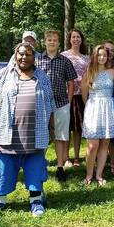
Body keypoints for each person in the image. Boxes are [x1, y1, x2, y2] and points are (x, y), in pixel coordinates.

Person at [0, 42, 55, 217]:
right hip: (8, 134)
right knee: (3, 168)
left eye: (28, 54)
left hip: (35, 135)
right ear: (15, 55)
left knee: (35, 167)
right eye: (21, 54)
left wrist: (52, 129)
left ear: (33, 57)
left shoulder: (42, 77)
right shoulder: (2, 75)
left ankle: (36, 200)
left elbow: (50, 105)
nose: (24, 57)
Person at [35, 30, 77, 182]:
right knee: (41, 136)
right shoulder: (37, 60)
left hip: (61, 103)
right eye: (49, 40)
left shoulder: (65, 61)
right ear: (45, 42)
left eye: (55, 40)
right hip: (41, 104)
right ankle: (39, 165)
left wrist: (69, 100)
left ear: (59, 43)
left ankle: (60, 167)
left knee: (60, 136)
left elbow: (71, 82)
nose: (52, 42)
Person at [82, 45, 114, 185]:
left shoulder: (113, 72)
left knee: (104, 144)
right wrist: (93, 106)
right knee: (93, 145)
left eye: (104, 55)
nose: (102, 58)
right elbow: (84, 96)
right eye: (99, 55)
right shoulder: (89, 73)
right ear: (95, 57)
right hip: (93, 108)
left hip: (108, 108)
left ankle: (99, 175)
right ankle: (88, 175)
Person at [61, 28, 89, 167]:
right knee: (65, 127)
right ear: (69, 39)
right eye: (73, 37)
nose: (76, 39)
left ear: (81, 39)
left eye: (78, 37)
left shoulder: (86, 58)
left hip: (81, 96)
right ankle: (65, 157)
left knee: (77, 128)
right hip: (66, 96)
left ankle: (77, 157)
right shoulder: (63, 56)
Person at [103, 40, 114, 175]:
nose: (109, 53)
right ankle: (101, 164)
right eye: (106, 49)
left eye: (111, 50)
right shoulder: (97, 65)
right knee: (101, 136)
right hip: (100, 105)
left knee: (113, 137)